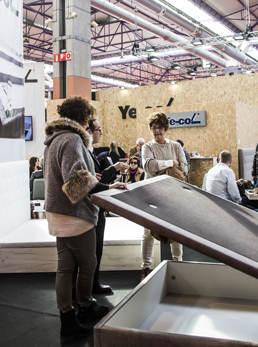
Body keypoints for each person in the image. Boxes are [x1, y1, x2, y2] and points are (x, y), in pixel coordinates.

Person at [43, 96, 126, 343]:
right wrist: (108, 187)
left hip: (57, 213)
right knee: (88, 264)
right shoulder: (72, 139)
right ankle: (86, 306)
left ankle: (68, 320)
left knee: (64, 268)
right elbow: (76, 180)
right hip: (74, 214)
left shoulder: (53, 139)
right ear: (82, 117)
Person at [141, 112, 188, 280]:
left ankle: (178, 263)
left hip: (173, 194)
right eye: (153, 128)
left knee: (176, 230)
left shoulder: (175, 146)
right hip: (152, 194)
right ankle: (145, 267)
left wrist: (162, 169)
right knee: (148, 232)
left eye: (159, 128)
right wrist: (170, 164)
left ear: (165, 128)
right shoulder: (147, 147)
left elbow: (184, 168)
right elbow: (148, 166)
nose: (156, 131)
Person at [85, 119, 129, 295]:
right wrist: (112, 171)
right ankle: (87, 290)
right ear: (89, 131)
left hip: (97, 209)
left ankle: (93, 284)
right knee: (91, 253)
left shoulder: (90, 153)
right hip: (89, 209)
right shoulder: (83, 152)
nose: (101, 133)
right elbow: (91, 184)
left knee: (96, 251)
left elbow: (96, 180)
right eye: (98, 129)